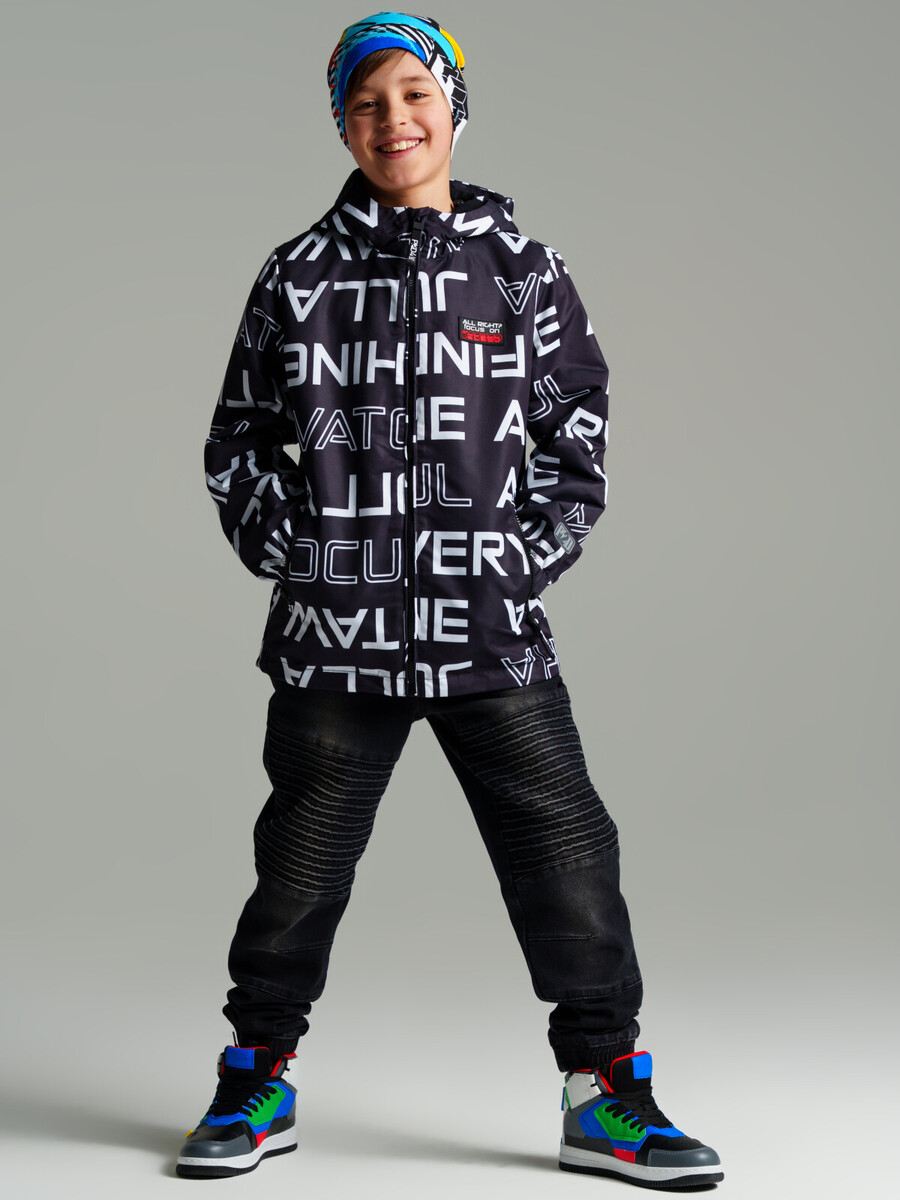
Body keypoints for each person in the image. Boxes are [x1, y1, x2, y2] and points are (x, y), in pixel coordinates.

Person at [177, 10, 723, 1188]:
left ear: (455, 109)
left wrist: (517, 562)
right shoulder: (296, 276)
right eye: (367, 103)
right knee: (299, 870)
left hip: (490, 630)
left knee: (569, 857)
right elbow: (238, 442)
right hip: (337, 638)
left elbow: (577, 436)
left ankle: (606, 1093)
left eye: (416, 95)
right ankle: (255, 1076)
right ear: (342, 124)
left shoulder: (524, 270)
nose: (395, 121)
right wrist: (305, 554)